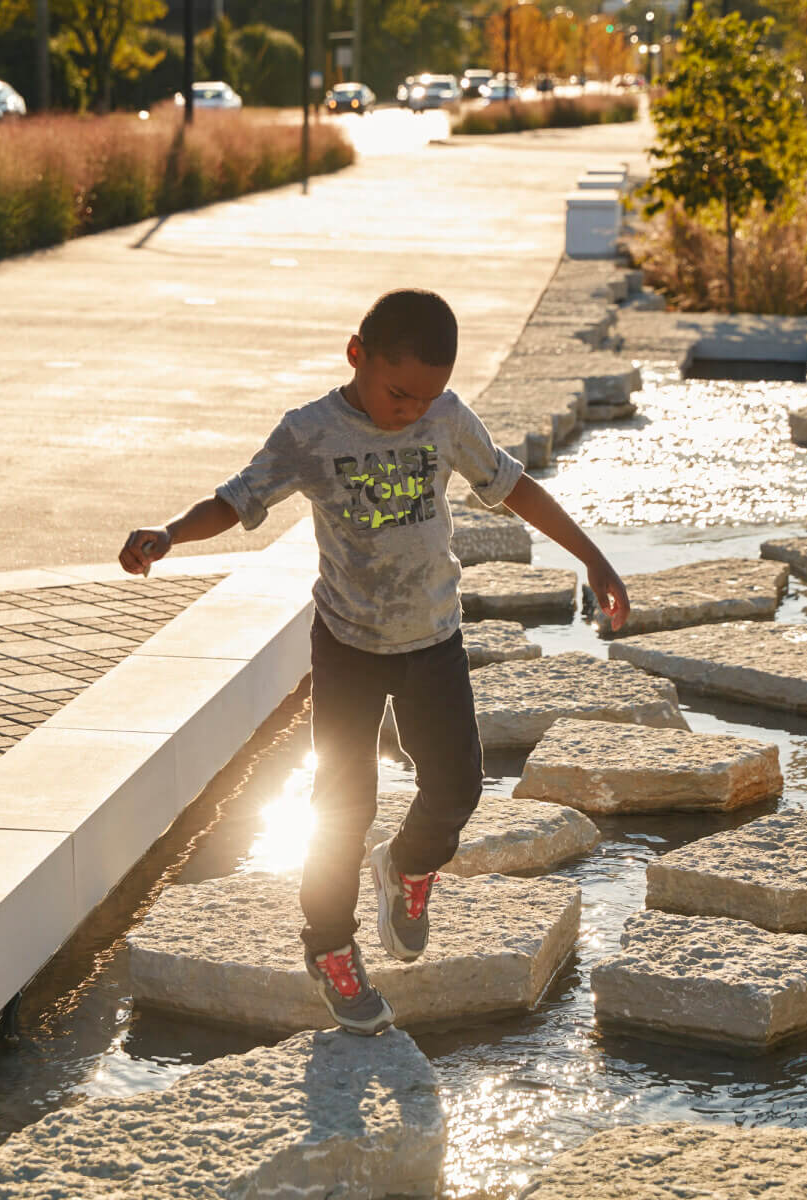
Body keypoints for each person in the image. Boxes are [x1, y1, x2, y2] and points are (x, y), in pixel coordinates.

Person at [119, 288, 630, 1035]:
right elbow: (237, 499)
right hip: (350, 645)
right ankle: (329, 948)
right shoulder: (311, 432)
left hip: (433, 639)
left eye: (427, 396)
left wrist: (594, 558)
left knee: (456, 791)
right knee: (342, 805)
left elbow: (513, 486)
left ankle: (408, 866)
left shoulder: (446, 418)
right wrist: (168, 532)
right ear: (356, 354)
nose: (411, 410)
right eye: (398, 393)